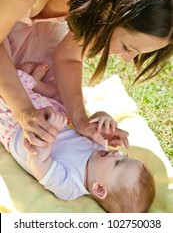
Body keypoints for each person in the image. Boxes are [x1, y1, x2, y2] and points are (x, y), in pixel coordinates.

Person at [0, 0, 173, 150]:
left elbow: (69, 57)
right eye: (127, 47)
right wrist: (25, 111)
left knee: (42, 88)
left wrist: (81, 120)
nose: (126, 59)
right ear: (109, 11)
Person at [0, 63, 155, 213]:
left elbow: (37, 163)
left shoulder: (70, 186)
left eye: (118, 163)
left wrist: (52, 132)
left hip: (17, 128)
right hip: (47, 112)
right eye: (125, 156)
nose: (118, 153)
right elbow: (87, 124)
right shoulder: (99, 149)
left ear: (99, 188)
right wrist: (104, 121)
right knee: (63, 102)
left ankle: (24, 82)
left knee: (8, 98)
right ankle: (33, 85)